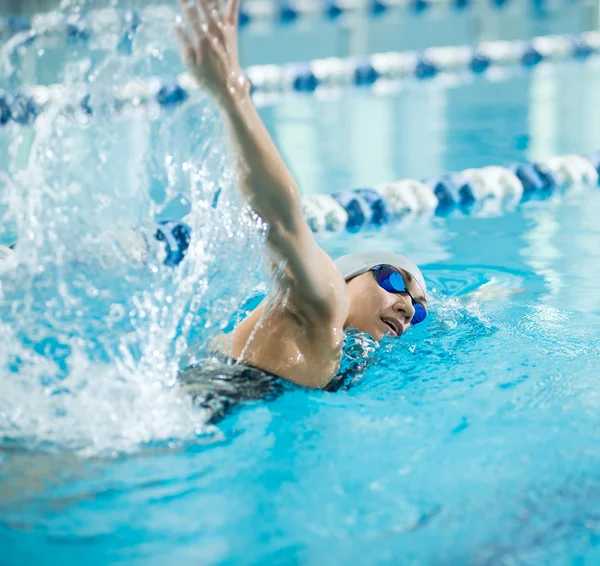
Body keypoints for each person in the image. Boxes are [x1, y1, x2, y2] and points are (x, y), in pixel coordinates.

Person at [174, 0, 428, 391]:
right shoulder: (325, 298)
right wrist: (232, 94)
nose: (407, 307)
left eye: (418, 311)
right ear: (352, 274)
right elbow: (282, 220)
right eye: (394, 281)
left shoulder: (337, 344)